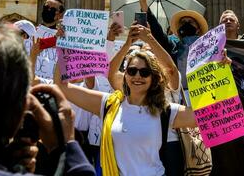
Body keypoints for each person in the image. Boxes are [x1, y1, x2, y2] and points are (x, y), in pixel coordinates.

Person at [54, 23, 197, 176]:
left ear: (154, 78)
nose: (137, 76)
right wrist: (64, 46)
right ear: (125, 75)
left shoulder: (166, 111)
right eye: (132, 70)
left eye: (144, 72)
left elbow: (207, 114)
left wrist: (222, 72)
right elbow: (61, 86)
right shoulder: (108, 104)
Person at [0, 23, 95, 175]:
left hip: (81, 141)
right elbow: (47, 80)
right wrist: (63, 145)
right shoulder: (53, 84)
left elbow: (89, 80)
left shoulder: (88, 86)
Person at [139, 0, 208, 102]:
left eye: (190, 22)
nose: (186, 24)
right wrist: (144, 3)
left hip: (205, 96)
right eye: (183, 23)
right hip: (179, 97)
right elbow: (157, 31)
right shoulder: (172, 45)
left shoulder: (209, 46)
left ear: (197, 29)